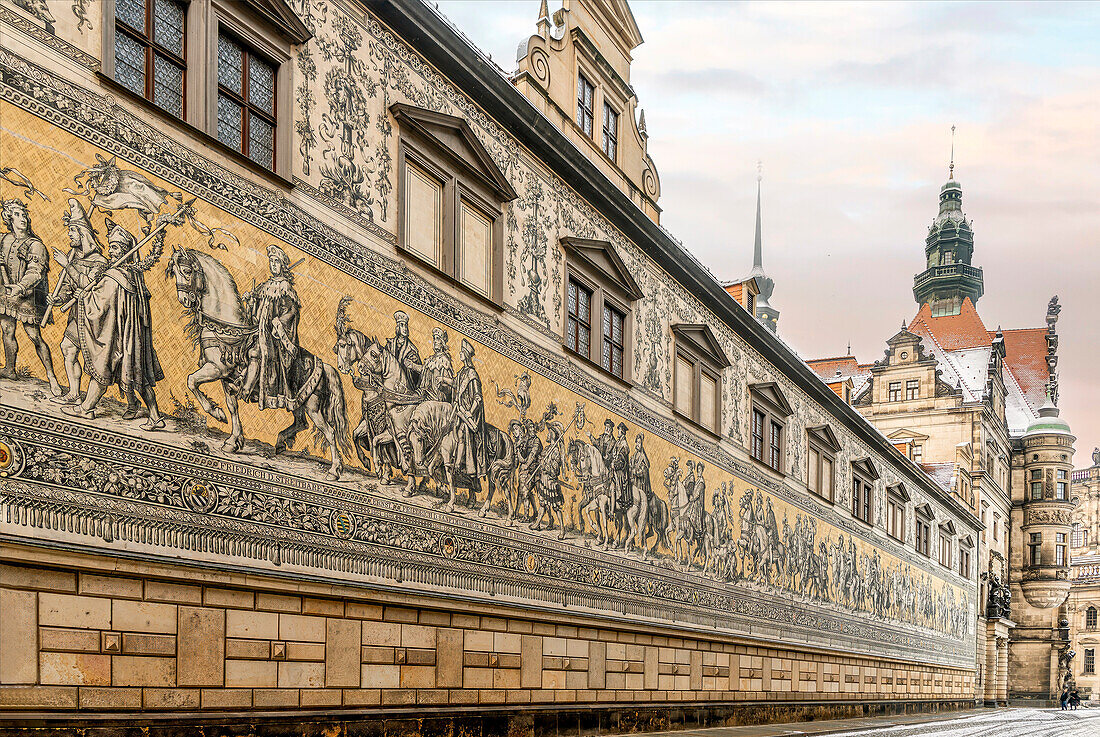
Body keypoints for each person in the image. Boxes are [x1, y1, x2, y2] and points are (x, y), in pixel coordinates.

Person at [56, 219, 165, 429]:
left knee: (104, 365)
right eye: (111, 246)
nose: (111, 251)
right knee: (134, 374)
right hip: (126, 334)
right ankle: (147, 413)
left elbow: (99, 305)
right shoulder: (128, 275)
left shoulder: (114, 277)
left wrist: (82, 296)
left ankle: (87, 408)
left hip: (116, 333)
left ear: (124, 250)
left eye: (115, 247)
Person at [0, 199, 61, 394]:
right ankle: (10, 369)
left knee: (35, 337)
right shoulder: (5, 239)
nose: (23, 218)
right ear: (9, 218)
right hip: (7, 293)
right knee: (7, 330)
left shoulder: (36, 245)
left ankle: (52, 377)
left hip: (27, 296)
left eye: (24, 214)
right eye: (17, 214)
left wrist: (20, 286)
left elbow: (36, 272)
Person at [51, 199, 108, 406]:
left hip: (94, 317)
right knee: (68, 348)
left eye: (73, 232)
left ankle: (87, 399)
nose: (69, 235)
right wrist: (57, 299)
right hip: (77, 313)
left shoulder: (100, 262)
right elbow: (67, 288)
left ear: (83, 234)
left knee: (89, 357)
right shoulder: (73, 258)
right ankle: (75, 392)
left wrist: (68, 266)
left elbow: (88, 284)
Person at [240, 245, 300, 409]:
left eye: (277, 262)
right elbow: (257, 311)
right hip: (258, 329)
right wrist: (251, 302)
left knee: (256, 354)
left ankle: (246, 391)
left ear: (283, 265)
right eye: (271, 261)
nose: (273, 265)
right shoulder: (265, 286)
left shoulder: (285, 287)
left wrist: (278, 322)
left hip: (273, 335)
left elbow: (292, 311)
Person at [452, 338, 488, 480]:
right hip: (459, 411)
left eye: (462, 352)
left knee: (461, 433)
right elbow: (455, 383)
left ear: (466, 355)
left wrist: (470, 412)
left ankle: (459, 465)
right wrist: (443, 379)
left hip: (469, 415)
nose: (460, 354)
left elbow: (478, 398)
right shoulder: (462, 372)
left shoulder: (472, 375)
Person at [532, 423, 566, 538]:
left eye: (549, 433)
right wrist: (540, 461)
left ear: (552, 435)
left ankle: (562, 529)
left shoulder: (556, 450)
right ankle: (537, 523)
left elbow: (555, 469)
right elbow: (540, 459)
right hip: (543, 478)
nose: (547, 434)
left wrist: (545, 466)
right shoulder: (547, 449)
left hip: (551, 481)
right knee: (542, 503)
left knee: (556, 507)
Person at [385, 310, 422, 392]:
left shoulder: (411, 350)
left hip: (405, 386)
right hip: (388, 383)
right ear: (398, 327)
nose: (405, 328)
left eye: (406, 326)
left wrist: (411, 366)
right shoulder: (389, 345)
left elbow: (418, 375)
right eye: (402, 325)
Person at [419, 327, 454, 402]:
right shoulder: (430, 359)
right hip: (425, 394)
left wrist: (442, 384)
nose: (435, 341)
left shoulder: (444, 361)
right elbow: (422, 370)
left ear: (442, 343)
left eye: (437, 339)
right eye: (434, 339)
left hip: (436, 398)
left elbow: (449, 389)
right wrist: (412, 365)